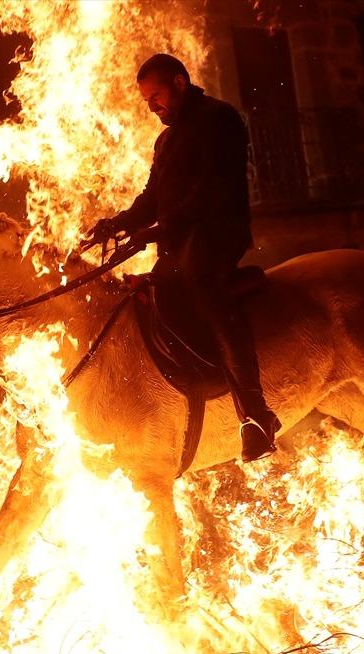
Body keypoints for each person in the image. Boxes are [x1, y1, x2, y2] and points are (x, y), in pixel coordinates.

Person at [83, 53, 279, 462]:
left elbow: (212, 190)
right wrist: (116, 224)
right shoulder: (166, 139)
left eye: (156, 96)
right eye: (146, 101)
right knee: (154, 294)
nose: (152, 106)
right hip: (180, 239)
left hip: (218, 232)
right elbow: (153, 197)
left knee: (203, 287)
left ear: (179, 81)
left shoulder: (219, 119)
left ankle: (257, 416)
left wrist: (158, 230)